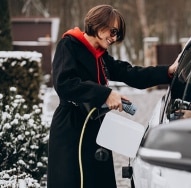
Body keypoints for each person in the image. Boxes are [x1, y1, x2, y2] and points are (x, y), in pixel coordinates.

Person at [47, 4, 178, 188]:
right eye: (113, 31)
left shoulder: (100, 56)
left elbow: (130, 73)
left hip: (96, 127)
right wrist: (105, 94)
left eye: (118, 34)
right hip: (71, 130)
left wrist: (167, 73)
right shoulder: (68, 45)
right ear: (99, 25)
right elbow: (64, 84)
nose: (114, 38)